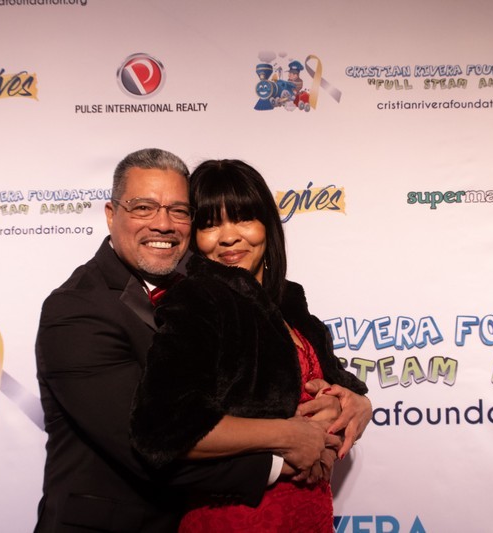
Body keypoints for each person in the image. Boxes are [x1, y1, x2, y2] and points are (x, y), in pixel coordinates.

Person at [34, 149, 368, 533]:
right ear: (111, 214)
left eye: (178, 210)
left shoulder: (239, 296)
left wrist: (355, 404)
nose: (163, 224)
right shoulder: (77, 309)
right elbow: (143, 445)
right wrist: (287, 449)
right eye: (143, 208)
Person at [130, 159, 371, 531]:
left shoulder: (289, 303)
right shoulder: (199, 300)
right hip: (237, 518)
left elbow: (339, 387)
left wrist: (357, 403)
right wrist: (288, 435)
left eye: (243, 218)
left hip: (309, 517)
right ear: (194, 236)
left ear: (267, 225)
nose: (228, 237)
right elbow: (161, 429)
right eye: (210, 224)